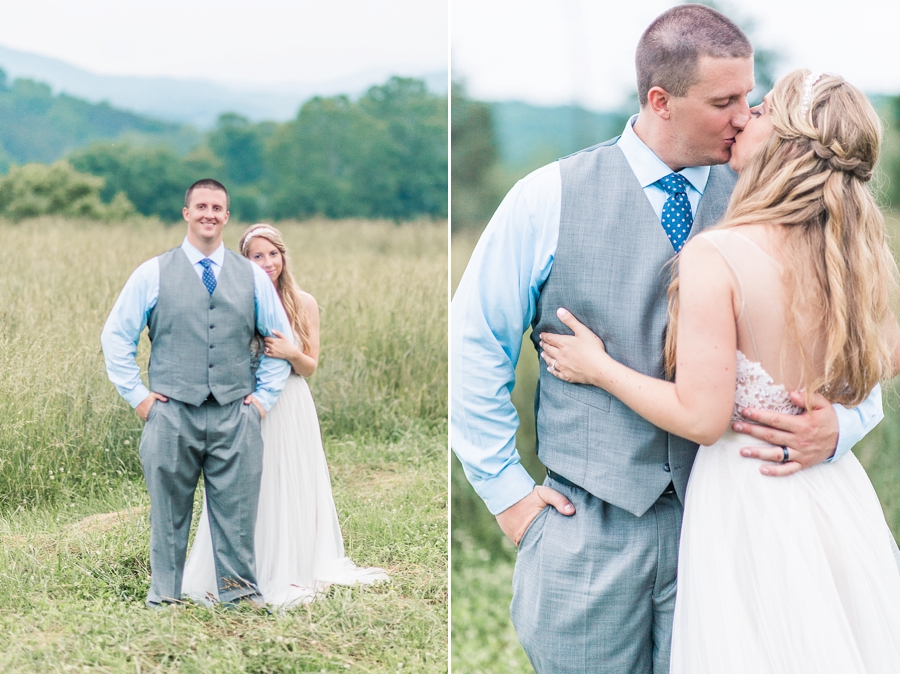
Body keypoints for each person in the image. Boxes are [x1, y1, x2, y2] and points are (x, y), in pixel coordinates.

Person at [450, 6, 883, 673]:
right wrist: (509, 498)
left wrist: (841, 427)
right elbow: (475, 344)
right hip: (590, 528)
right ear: (660, 100)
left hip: (737, 532)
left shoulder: (779, 199)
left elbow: (849, 345)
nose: (744, 116)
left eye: (751, 98)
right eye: (724, 102)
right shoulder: (549, 197)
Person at [540, 69, 900, 672]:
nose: (742, 118)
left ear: (784, 140)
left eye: (759, 112)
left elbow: (703, 419)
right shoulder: (861, 247)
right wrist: (832, 411)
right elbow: (886, 357)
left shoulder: (717, 251)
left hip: (747, 496)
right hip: (833, 496)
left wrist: (599, 368)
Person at [101, 179, 293, 607]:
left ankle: (239, 598)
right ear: (186, 213)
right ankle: (164, 598)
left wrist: (262, 399)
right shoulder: (152, 272)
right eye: (201, 206)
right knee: (168, 514)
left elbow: (279, 340)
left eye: (217, 207)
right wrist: (139, 398)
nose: (209, 213)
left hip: (235, 413)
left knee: (237, 513)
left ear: (227, 216)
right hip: (170, 413)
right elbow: (116, 336)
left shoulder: (251, 277)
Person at [182, 224, 389, 608]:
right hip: (251, 402)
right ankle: (239, 568)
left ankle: (292, 566)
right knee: (246, 483)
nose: (267, 263)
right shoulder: (233, 299)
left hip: (292, 403)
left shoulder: (302, 301)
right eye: (257, 256)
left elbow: (309, 365)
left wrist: (289, 352)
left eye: (272, 254)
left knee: (290, 479)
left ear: (283, 256)